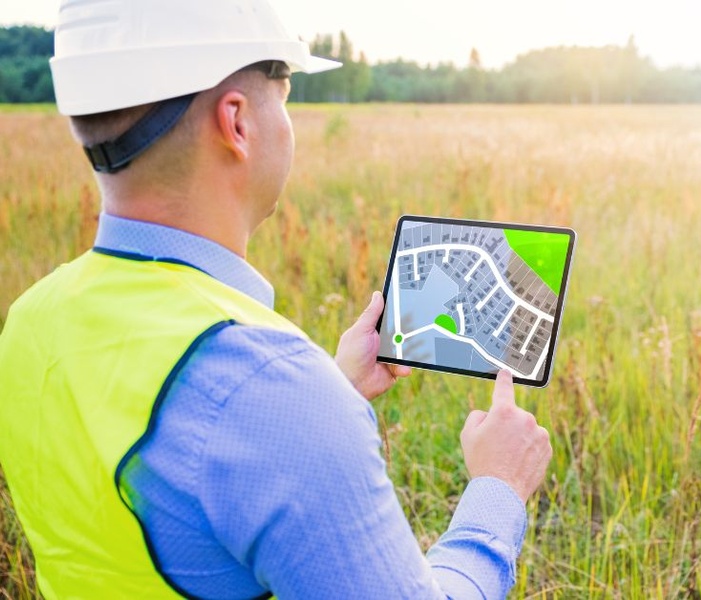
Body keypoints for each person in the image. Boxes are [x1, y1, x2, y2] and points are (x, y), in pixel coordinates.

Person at [0, 1, 552, 599]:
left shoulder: (30, 321)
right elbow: (243, 424)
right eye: (284, 95)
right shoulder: (270, 388)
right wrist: (498, 487)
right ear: (236, 122)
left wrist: (334, 389)